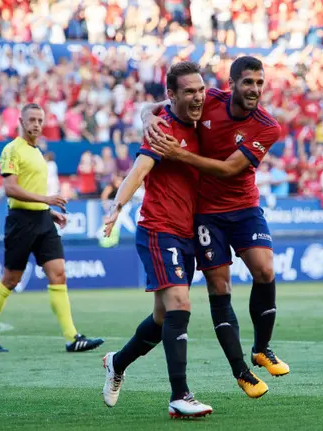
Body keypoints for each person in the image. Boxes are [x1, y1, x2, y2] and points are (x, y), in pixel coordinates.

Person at [141, 56, 283, 398]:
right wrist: (147, 115)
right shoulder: (208, 101)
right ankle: (241, 371)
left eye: (260, 83)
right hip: (205, 213)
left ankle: (261, 347)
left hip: (244, 206)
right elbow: (162, 103)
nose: (254, 89)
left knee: (264, 270)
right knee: (220, 288)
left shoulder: (268, 126)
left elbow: (228, 169)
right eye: (248, 82)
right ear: (231, 84)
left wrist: (180, 155)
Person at [101, 61, 213, 418]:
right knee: (180, 304)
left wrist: (145, 110)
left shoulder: (205, 120)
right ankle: (180, 396)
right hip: (158, 228)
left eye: (201, 90)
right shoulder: (162, 128)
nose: (197, 97)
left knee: (163, 318)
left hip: (187, 234)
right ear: (172, 95)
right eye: (189, 91)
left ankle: (116, 363)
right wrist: (117, 206)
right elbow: (138, 171)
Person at [0, 103, 104, 354]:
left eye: (40, 120)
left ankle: (72, 338)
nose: (36, 124)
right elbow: (11, 189)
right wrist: (47, 201)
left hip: (43, 221)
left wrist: (49, 213)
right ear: (21, 122)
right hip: (21, 222)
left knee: (58, 274)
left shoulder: (37, 152)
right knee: (10, 279)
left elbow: (30, 189)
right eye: (32, 119)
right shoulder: (12, 149)